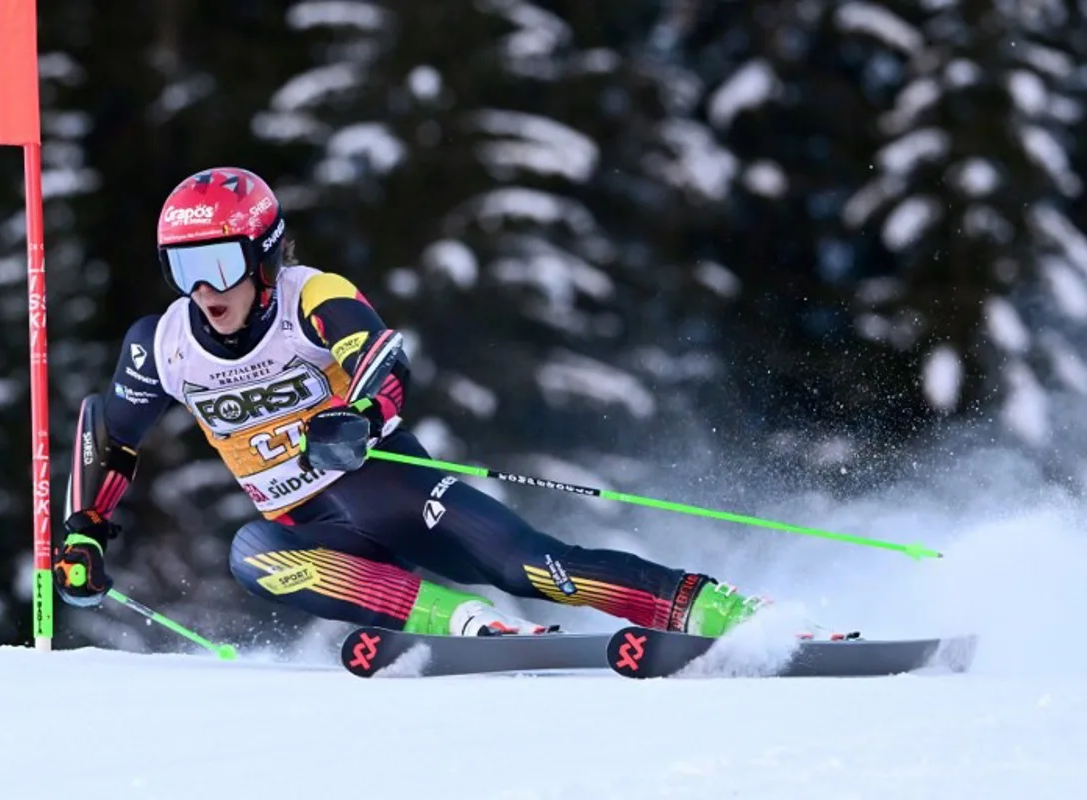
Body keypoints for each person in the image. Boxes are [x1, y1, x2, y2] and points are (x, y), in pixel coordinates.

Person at [52, 166, 766, 639]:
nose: (206, 291)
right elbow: (111, 435)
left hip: (393, 490)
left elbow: (382, 359)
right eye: (185, 269)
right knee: (253, 554)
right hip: (319, 531)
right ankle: (463, 625)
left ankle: (715, 610)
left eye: (219, 265)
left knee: (535, 569)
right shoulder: (165, 344)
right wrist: (82, 528)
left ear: (263, 255)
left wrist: (358, 418)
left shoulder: (312, 296)